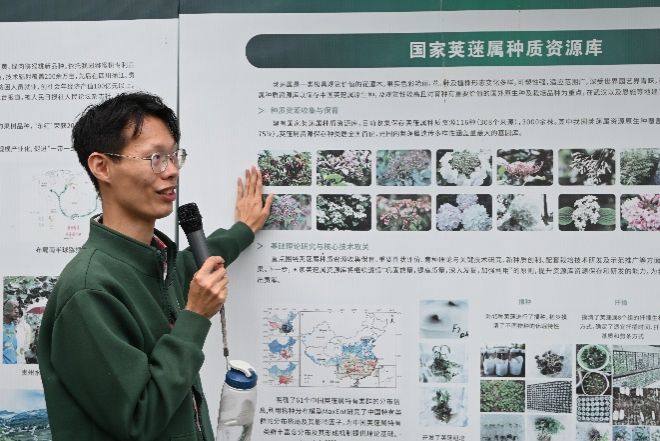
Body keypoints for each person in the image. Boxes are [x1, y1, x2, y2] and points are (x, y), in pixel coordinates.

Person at [38, 92, 272, 441]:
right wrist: (195, 316)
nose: (173, 170)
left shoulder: (157, 263)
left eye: (175, 156)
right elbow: (139, 418)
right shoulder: (89, 290)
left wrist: (243, 229)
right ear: (102, 166)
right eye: (156, 158)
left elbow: (199, 260)